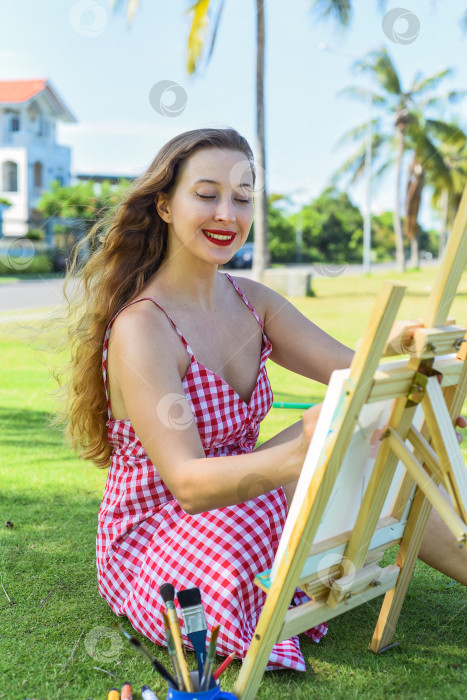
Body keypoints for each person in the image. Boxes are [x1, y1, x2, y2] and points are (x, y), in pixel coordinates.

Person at [59, 127, 466, 673]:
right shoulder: (143, 327)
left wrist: (408, 364)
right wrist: (307, 447)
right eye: (206, 194)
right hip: (162, 527)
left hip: (242, 499)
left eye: (243, 197)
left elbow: (353, 372)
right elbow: (186, 484)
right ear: (164, 204)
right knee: (299, 483)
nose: (228, 212)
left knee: (379, 440)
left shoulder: (250, 301)